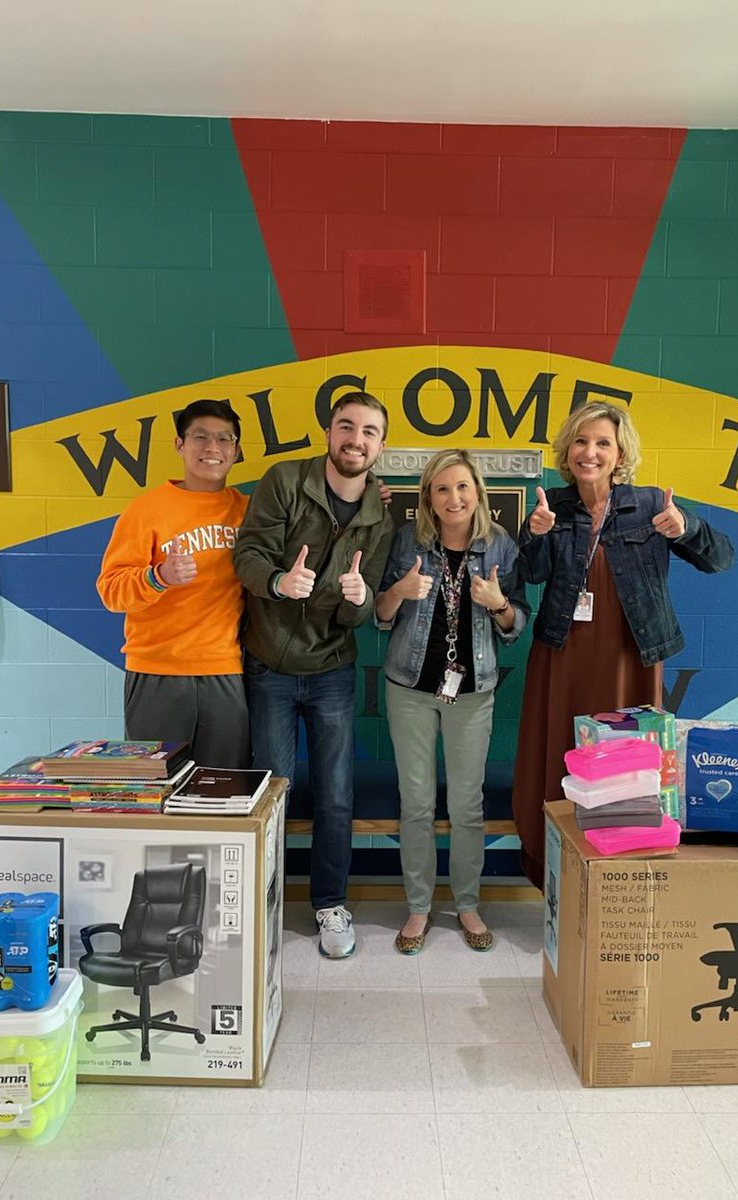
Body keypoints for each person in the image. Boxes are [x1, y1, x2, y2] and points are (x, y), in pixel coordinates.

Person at [511, 401, 734, 888]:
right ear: (567, 450)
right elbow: (529, 575)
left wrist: (688, 528)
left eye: (602, 443)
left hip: (628, 658)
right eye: (581, 441)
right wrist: (535, 536)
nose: (589, 452)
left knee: (626, 765)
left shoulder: (652, 504)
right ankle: (557, 872)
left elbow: (721, 559)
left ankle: (617, 878)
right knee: (559, 754)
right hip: (562, 653)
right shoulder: (552, 503)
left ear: (619, 454)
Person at [233, 392, 395, 959]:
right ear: (329, 431)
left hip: (332, 670)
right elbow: (247, 553)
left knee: (335, 795)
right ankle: (264, 900)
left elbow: (364, 611)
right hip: (270, 664)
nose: (356, 439)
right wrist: (279, 582)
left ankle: (330, 903)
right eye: (347, 426)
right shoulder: (284, 480)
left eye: (369, 431)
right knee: (272, 791)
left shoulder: (380, 512)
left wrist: (357, 598)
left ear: (380, 445)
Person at [376, 450, 528, 954]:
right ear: (428, 499)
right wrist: (399, 589)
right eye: (442, 489)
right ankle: (419, 907)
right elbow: (379, 614)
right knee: (415, 802)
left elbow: (515, 625)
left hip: (473, 691)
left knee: (467, 805)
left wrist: (499, 605)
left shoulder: (500, 545)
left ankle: (466, 904)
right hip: (409, 689)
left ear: (478, 493)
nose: (454, 498)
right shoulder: (406, 541)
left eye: (462, 487)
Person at [97, 398, 250, 769]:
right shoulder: (145, 509)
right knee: (157, 793)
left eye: (224, 439)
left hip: (224, 671)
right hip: (157, 672)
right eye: (200, 437)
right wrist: (159, 576)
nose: (212, 448)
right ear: (180, 445)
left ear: (236, 451)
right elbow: (111, 591)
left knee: (223, 792)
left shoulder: (249, 510)